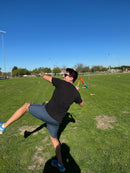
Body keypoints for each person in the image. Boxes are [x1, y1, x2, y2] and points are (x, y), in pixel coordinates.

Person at [0, 68, 84, 172]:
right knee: (54, 140)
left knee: (26, 106)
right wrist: (76, 92)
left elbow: (46, 77)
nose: (63, 76)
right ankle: (61, 165)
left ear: (71, 78)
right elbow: (81, 104)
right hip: (57, 121)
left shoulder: (61, 83)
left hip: (47, 114)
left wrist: (42, 74)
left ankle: (3, 126)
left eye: (65, 75)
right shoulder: (75, 93)